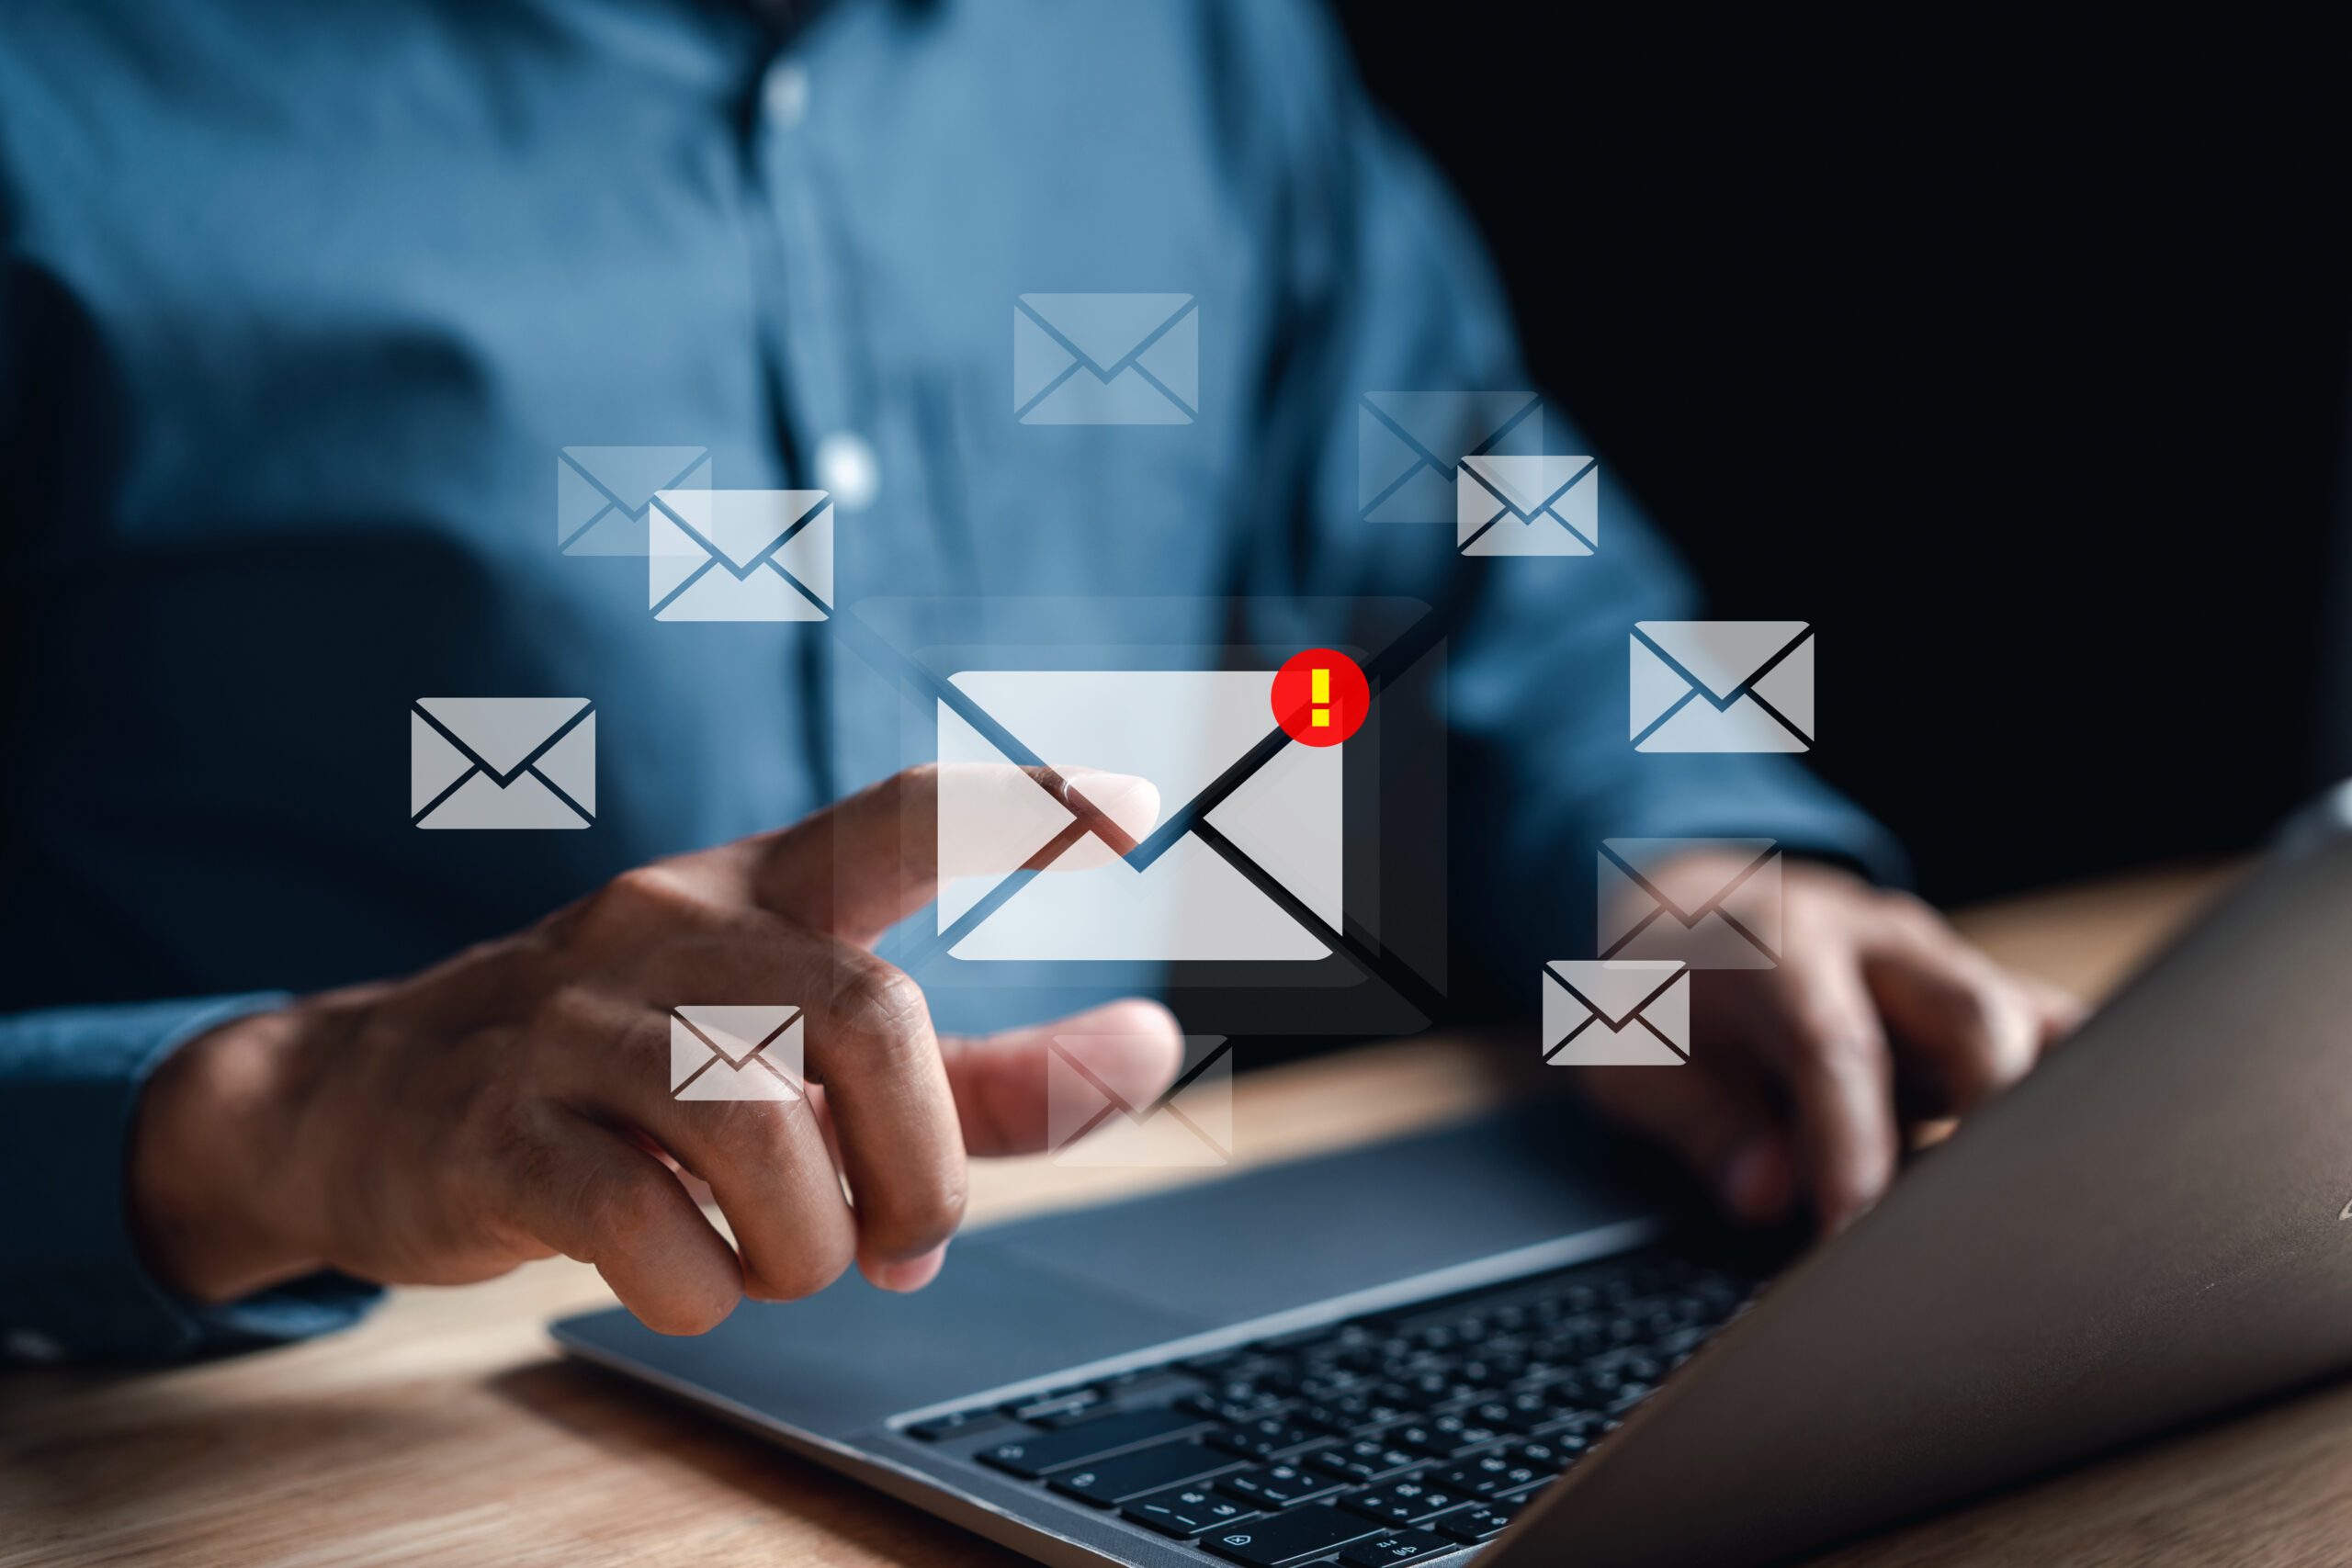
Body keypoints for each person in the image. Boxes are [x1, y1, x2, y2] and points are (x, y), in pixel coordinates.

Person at [0, 0, 2076, 1362]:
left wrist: (1690, 865)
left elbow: (1473, 544)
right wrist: (275, 1114)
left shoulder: (1192, 44)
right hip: (349, 1454)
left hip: (1167, 1334)